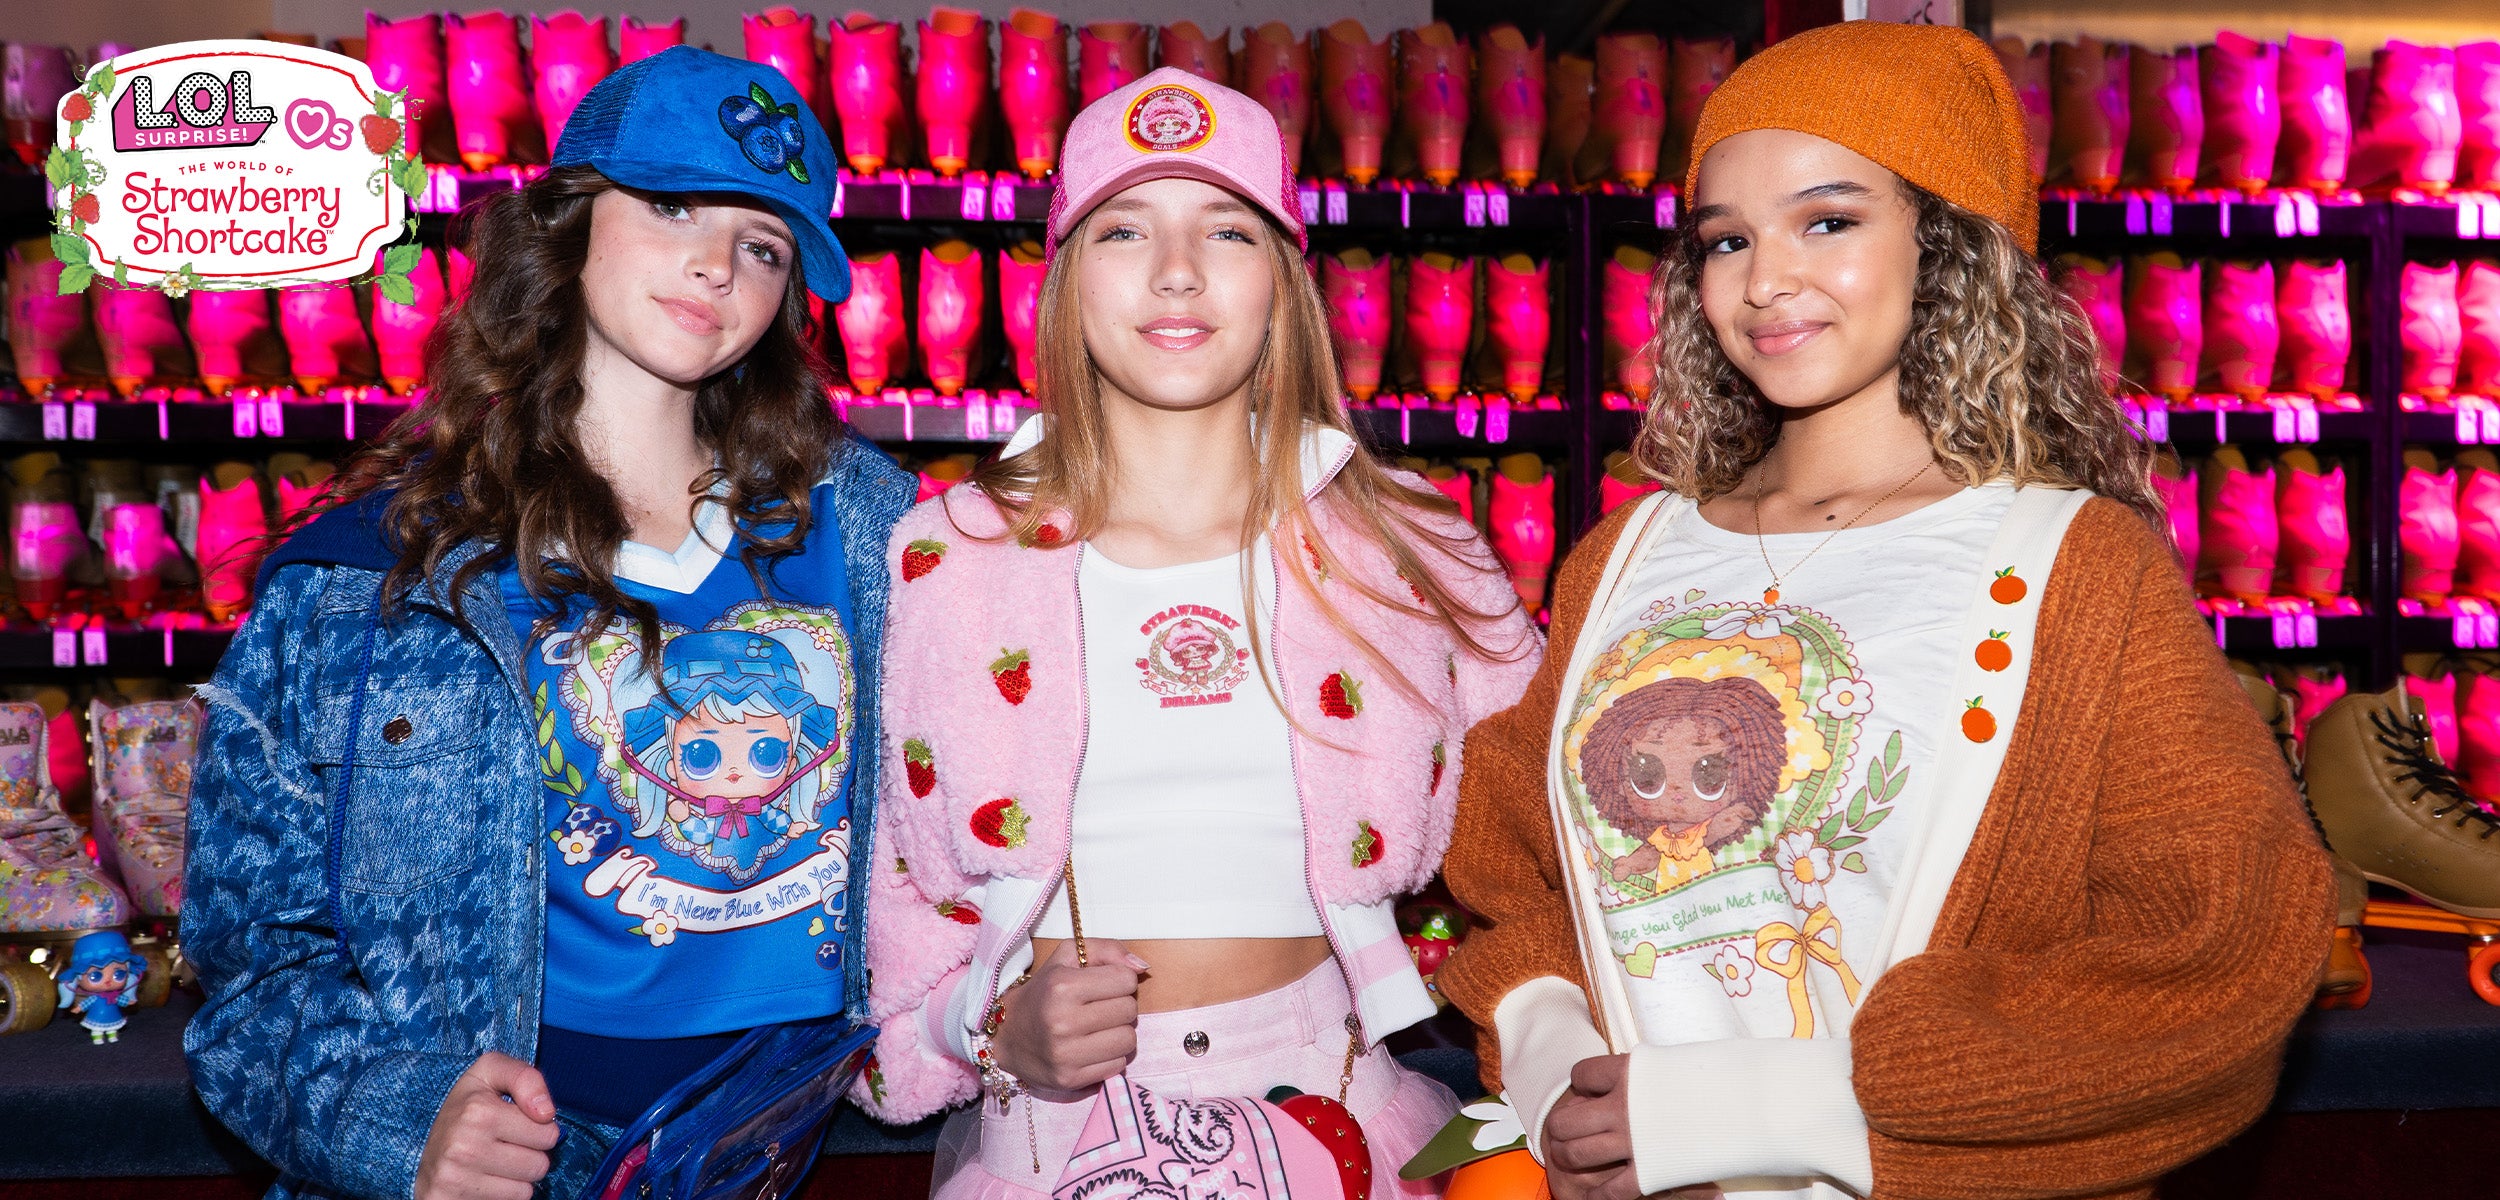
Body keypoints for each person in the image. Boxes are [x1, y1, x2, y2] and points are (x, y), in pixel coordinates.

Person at [1436, 22, 2334, 1200]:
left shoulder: (2078, 571)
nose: (1764, 281)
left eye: (1827, 221)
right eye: (1726, 239)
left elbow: (2217, 951)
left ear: (1945, 245)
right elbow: (1515, 861)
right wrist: (1551, 1050)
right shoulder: (1623, 555)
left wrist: (1783, 1109)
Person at [180, 47, 914, 1200]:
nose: (717, 265)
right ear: (568, 224)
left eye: (765, 245)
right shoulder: (368, 581)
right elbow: (252, 966)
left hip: (775, 1156)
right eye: (672, 205)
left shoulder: (876, 538)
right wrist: (398, 1122)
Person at [853, 69, 1543, 1199]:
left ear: (1283, 282)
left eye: (1227, 229)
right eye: (1124, 229)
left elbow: (1548, 840)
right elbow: (892, 893)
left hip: (1346, 1117)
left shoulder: (1412, 542)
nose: (1176, 270)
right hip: (1053, 1144)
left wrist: (1547, 1053)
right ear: (1067, 280)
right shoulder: (950, 555)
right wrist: (984, 1030)